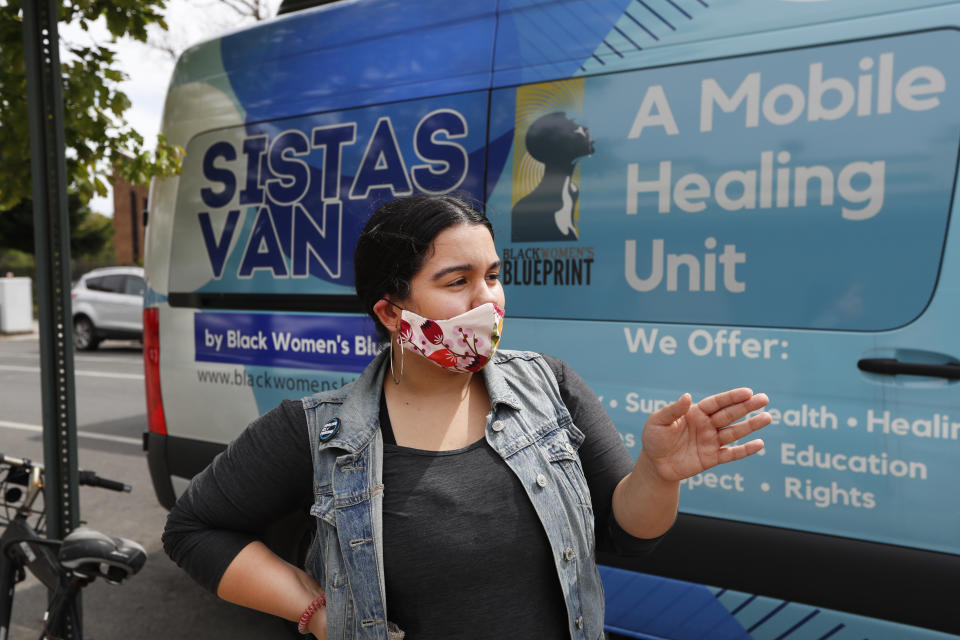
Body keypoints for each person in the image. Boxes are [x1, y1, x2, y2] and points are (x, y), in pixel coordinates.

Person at [163, 195, 772, 640]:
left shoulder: (550, 387)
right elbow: (194, 529)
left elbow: (631, 535)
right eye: (457, 281)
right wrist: (317, 614)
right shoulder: (318, 431)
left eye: (494, 275)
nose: (489, 300)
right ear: (392, 313)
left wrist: (658, 475)